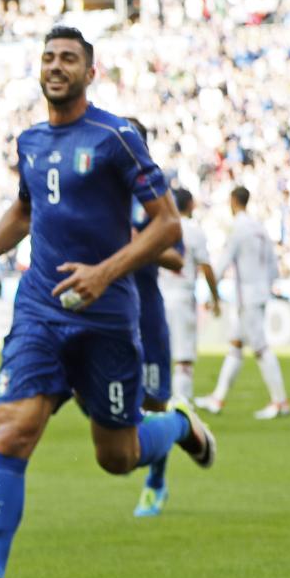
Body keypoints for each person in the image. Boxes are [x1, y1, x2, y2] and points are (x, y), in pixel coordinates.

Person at [0, 27, 214, 578]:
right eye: (48, 57)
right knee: (14, 428)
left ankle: (176, 424)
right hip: (39, 309)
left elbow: (167, 226)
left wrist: (105, 272)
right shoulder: (31, 140)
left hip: (106, 320)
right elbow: (24, 209)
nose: (56, 66)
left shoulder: (116, 138)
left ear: (90, 73)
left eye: (69, 58)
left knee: (116, 458)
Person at [123, 120, 181, 517]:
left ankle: (155, 483)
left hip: (147, 314)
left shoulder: (156, 197)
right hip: (107, 316)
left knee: (155, 403)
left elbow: (177, 258)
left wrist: (138, 244)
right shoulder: (98, 194)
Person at [196, 186, 290, 419]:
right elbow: (272, 265)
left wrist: (211, 292)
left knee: (260, 348)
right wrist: (266, 288)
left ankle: (280, 402)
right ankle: (218, 398)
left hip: (247, 296)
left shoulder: (238, 228)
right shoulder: (260, 228)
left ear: (233, 201)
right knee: (236, 345)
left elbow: (222, 262)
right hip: (258, 293)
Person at [162, 188, 221, 403]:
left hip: (158, 298)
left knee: (159, 356)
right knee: (183, 359)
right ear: (190, 205)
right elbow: (206, 267)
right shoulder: (194, 232)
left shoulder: (159, 228)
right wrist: (215, 297)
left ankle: (157, 405)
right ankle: (182, 409)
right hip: (182, 297)